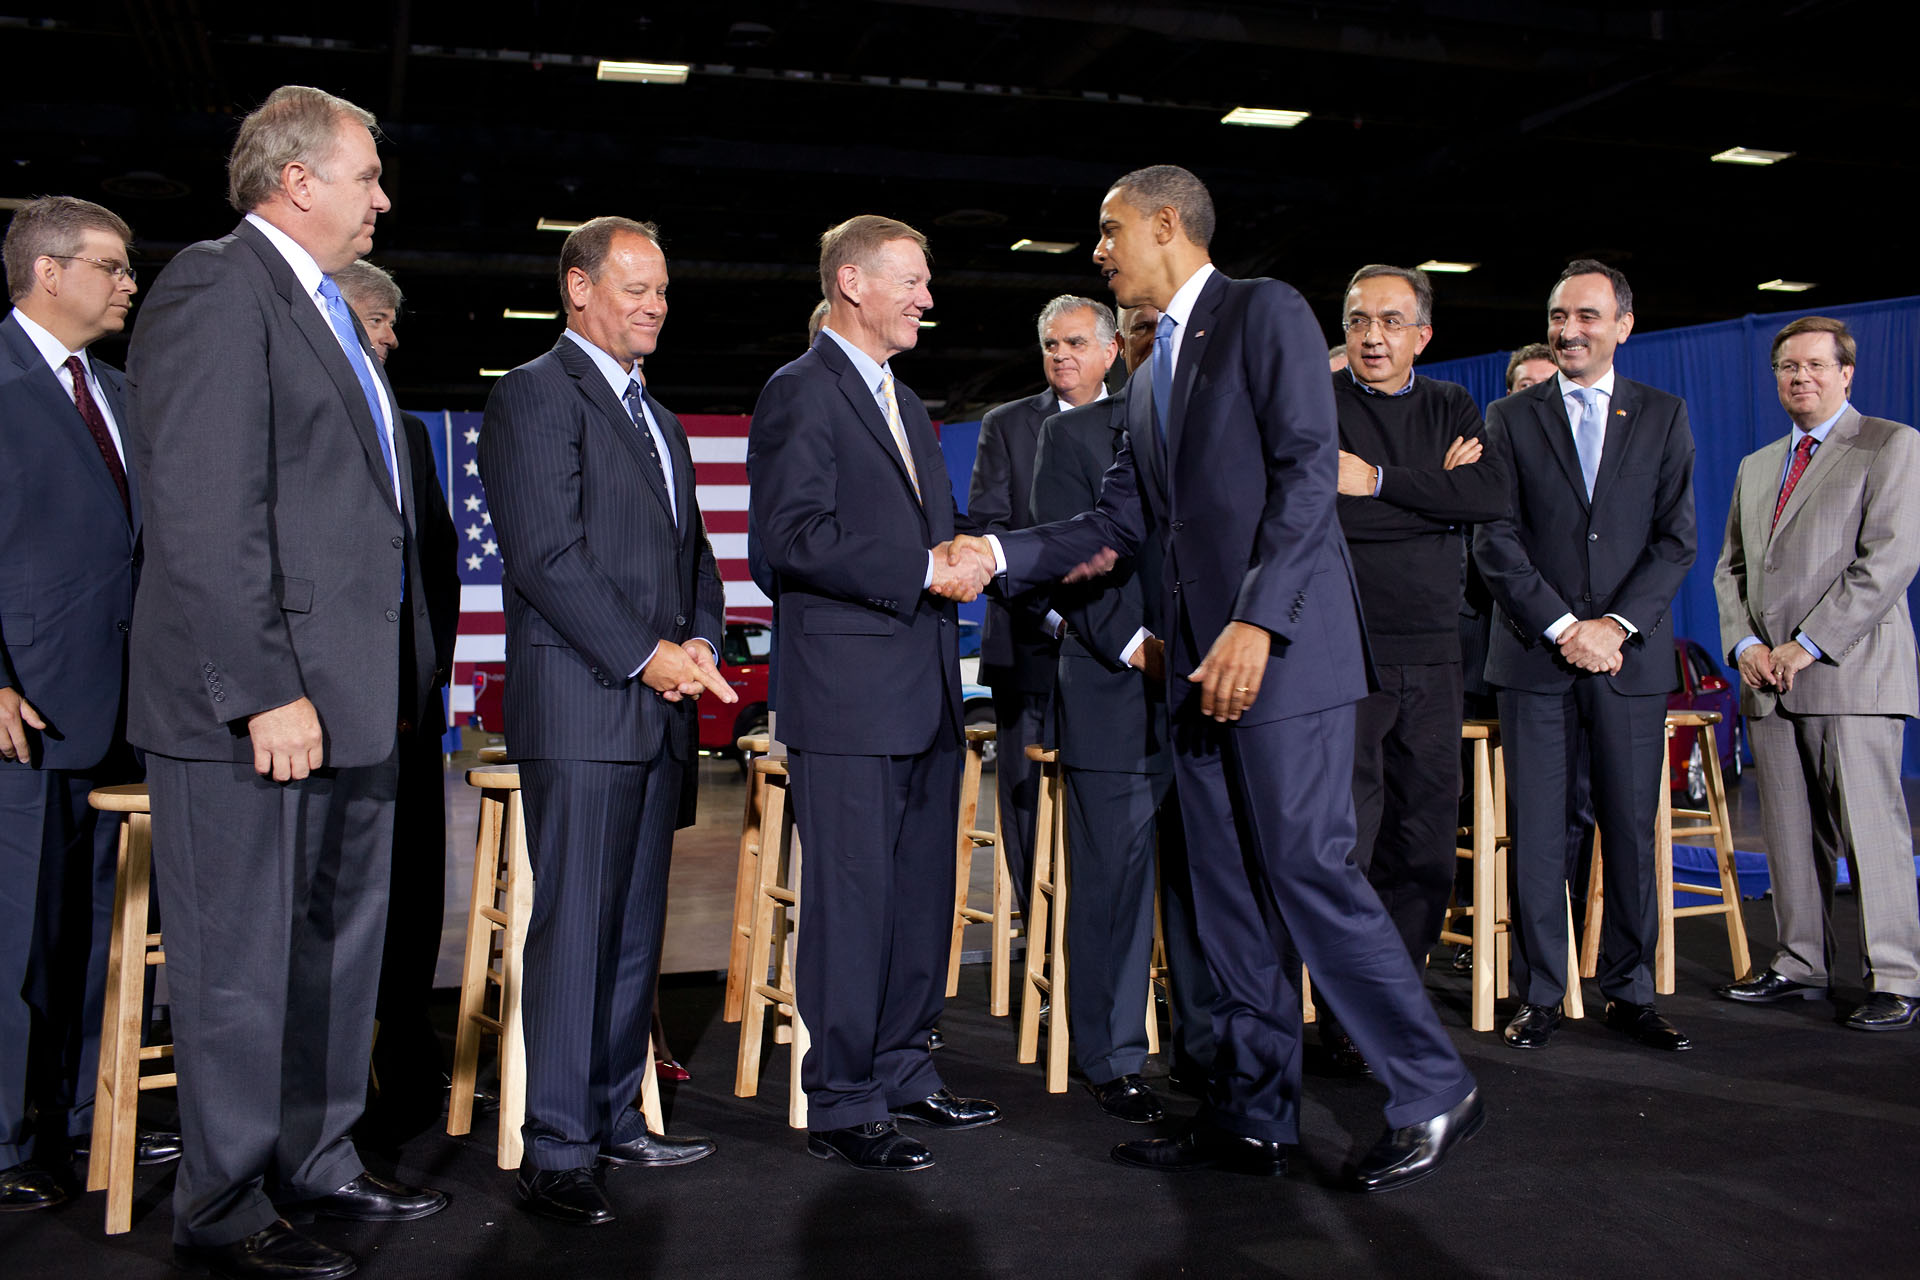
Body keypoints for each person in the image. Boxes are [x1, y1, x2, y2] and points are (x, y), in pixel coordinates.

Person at [952, 166, 1481, 1192]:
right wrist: (994, 553)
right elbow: (1115, 524)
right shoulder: (1149, 374)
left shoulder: (1262, 311)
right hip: (1196, 675)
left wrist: (1254, 617)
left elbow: (1303, 466)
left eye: (1109, 233)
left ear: (1165, 224)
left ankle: (1431, 1084)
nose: (1098, 253)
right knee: (1228, 898)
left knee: (1309, 872)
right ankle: (1253, 1111)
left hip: (1282, 656)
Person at [128, 84, 446, 1277]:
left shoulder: (317, 306)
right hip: (254, 712)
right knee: (238, 969)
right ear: (296, 179)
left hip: (352, 705)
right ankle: (221, 1203)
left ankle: (317, 1159)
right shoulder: (219, 285)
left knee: (332, 959)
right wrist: (264, 687)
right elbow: (207, 514)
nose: (383, 196)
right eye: (368, 174)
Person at [478, 216, 730, 1224]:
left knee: (632, 930)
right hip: (585, 702)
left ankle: (620, 1113)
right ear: (578, 289)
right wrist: (648, 655)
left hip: (660, 706)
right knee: (576, 926)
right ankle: (558, 1148)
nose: (655, 306)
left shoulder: (658, 419)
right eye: (636, 288)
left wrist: (702, 640)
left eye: (663, 290)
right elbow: (545, 556)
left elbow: (694, 557)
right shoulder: (536, 393)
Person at [747, 214, 1001, 1173]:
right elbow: (790, 540)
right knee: (853, 903)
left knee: (919, 898)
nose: (927, 299)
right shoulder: (799, 393)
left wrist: (980, 552)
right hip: (848, 697)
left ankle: (902, 1070)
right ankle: (844, 1096)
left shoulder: (904, 399)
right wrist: (924, 565)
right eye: (912, 281)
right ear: (852, 282)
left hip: (927, 692)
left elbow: (931, 537)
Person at [1, 196, 177, 1213]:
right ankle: (10, 1133)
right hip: (26, 710)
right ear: (49, 273)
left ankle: (84, 1115)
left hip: (125, 712)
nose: (128, 283)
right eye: (112, 267)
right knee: (22, 937)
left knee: (107, 932)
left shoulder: (117, 390)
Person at [1474, 259, 1697, 1053]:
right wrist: (1567, 626)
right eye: (1559, 316)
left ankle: (1629, 991)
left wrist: (1614, 627)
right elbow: (1494, 540)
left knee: (1630, 827)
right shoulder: (1508, 415)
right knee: (1538, 830)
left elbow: (1677, 541)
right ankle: (1540, 990)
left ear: (1623, 326)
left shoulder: (1664, 415)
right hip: (1537, 657)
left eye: (1587, 317)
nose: (1569, 330)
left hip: (1628, 659)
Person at [1028, 301, 1219, 1123]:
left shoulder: (1217, 425)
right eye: (1141, 331)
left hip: (1210, 692)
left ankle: (1208, 1049)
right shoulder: (1071, 437)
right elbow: (1065, 563)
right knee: (1111, 887)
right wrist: (1139, 646)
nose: (1152, 345)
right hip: (1114, 692)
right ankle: (1110, 1056)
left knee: (1204, 887)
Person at [1712, 316, 1920, 1031]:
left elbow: (1889, 560)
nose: (1799, 378)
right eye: (1787, 368)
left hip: (1851, 675)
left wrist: (1805, 644)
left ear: (1846, 373)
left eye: (1813, 366)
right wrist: (1745, 648)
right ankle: (1800, 962)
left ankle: (1896, 974)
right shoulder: (1758, 464)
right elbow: (1730, 570)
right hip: (1767, 679)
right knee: (1791, 834)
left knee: (1870, 832)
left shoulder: (1890, 445)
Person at [1326, 264, 1504, 1068]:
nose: (1373, 336)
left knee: (1426, 844)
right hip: (1343, 653)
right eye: (1359, 320)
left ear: (1422, 336)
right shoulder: (1319, 406)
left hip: (1434, 654)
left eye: (1392, 322)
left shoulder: (1450, 405)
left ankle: (1393, 1005)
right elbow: (1321, 507)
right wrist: (1431, 494)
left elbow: (1488, 496)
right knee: (1349, 847)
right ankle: (1347, 1014)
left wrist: (1378, 483)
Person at [332, 260, 461, 1140]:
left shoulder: (409, 432)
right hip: (327, 714)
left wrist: (426, 673)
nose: (391, 337)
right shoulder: (303, 419)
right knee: (337, 907)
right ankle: (332, 1088)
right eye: (378, 320)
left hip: (408, 710)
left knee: (414, 893)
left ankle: (407, 1051)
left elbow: (439, 566)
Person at [968, 295, 1118, 916]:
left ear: (1111, 351)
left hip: (1122, 652)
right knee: (1029, 801)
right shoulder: (1007, 425)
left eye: (1076, 343)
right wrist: (1055, 615)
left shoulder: (1144, 421)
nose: (1061, 355)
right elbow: (989, 531)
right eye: (1051, 344)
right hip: (1029, 647)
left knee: (1113, 806)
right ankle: (1047, 951)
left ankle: (1118, 950)